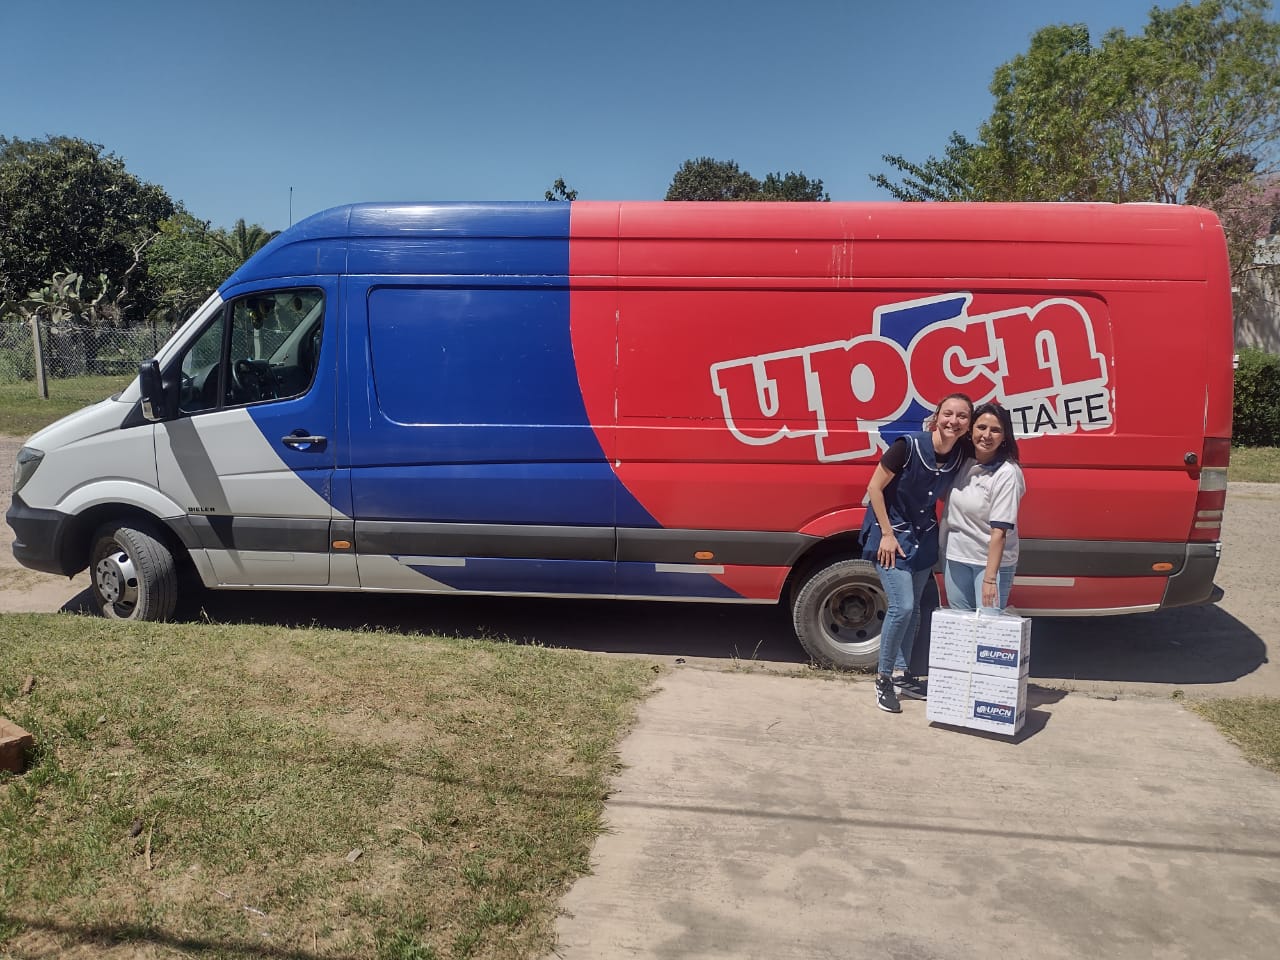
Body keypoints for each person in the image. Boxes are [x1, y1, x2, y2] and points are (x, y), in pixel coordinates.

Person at [861, 393, 973, 713]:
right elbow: (874, 488)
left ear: (968, 424)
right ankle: (883, 679)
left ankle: (902, 674)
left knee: (916, 612)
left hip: (924, 538)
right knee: (903, 607)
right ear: (937, 416)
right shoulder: (907, 446)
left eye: (962, 416)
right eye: (948, 413)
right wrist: (886, 534)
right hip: (892, 537)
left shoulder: (960, 453)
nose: (954, 421)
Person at [941, 402, 1026, 614]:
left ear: (1005, 436)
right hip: (957, 557)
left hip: (989, 564)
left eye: (995, 430)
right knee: (960, 624)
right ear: (971, 430)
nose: (987, 435)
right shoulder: (962, 462)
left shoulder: (1007, 473)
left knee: (989, 625)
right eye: (981, 427)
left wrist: (990, 579)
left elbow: (999, 532)